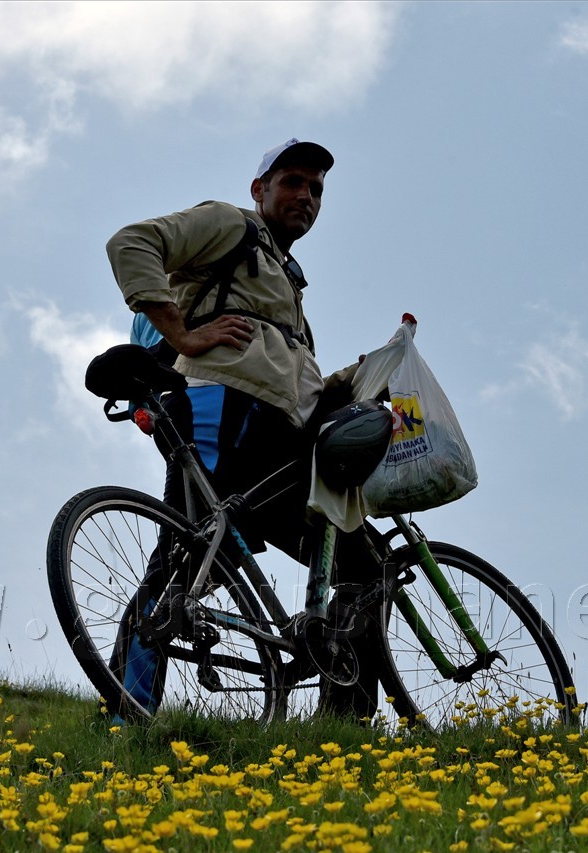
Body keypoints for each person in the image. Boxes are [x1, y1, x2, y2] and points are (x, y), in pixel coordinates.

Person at [105, 138, 377, 719]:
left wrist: (362, 378)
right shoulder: (229, 224)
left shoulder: (288, 279)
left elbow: (289, 376)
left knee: (363, 565)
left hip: (286, 434)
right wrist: (182, 336)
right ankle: (129, 715)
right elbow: (132, 243)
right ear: (260, 189)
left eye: (317, 189)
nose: (307, 195)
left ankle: (343, 734)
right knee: (186, 553)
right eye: (293, 182)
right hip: (218, 406)